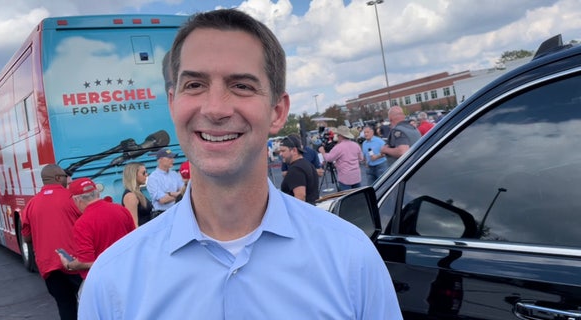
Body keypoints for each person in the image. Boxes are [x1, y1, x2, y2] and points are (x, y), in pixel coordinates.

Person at [79, 9, 402, 319]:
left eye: (242, 86)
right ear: (172, 102)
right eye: (194, 85)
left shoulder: (350, 256)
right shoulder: (113, 280)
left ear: (277, 111)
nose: (216, 108)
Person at [21, 164, 82, 320]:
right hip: (75, 261)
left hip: (48, 265)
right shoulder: (72, 198)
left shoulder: (31, 204)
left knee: (65, 305)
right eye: (64, 176)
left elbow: (27, 237)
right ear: (57, 178)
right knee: (87, 302)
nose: (67, 180)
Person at [57, 178, 135, 280]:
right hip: (127, 271)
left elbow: (87, 261)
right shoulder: (121, 209)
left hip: (104, 279)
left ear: (77, 200)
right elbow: (133, 240)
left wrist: (69, 265)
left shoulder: (82, 223)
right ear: (97, 193)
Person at [318, 125, 364, 191]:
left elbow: (329, 158)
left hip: (345, 178)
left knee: (347, 198)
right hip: (356, 176)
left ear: (340, 136)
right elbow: (361, 158)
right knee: (357, 197)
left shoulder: (338, 147)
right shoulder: (355, 145)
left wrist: (323, 152)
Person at [279, 135, 319, 204]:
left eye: (283, 151)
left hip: (304, 211)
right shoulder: (306, 164)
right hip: (311, 208)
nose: (280, 154)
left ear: (294, 150)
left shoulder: (296, 169)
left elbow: (300, 197)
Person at [145, 148, 185, 217]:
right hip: (161, 214)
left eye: (173, 158)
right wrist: (179, 196)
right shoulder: (153, 178)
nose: (173, 160)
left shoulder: (174, 174)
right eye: (169, 158)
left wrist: (170, 194)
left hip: (177, 211)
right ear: (160, 160)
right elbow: (163, 200)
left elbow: (184, 191)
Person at [120, 162, 153, 226]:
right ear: (134, 175)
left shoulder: (137, 192)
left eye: (146, 172)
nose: (146, 175)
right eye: (143, 173)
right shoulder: (130, 196)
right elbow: (134, 224)